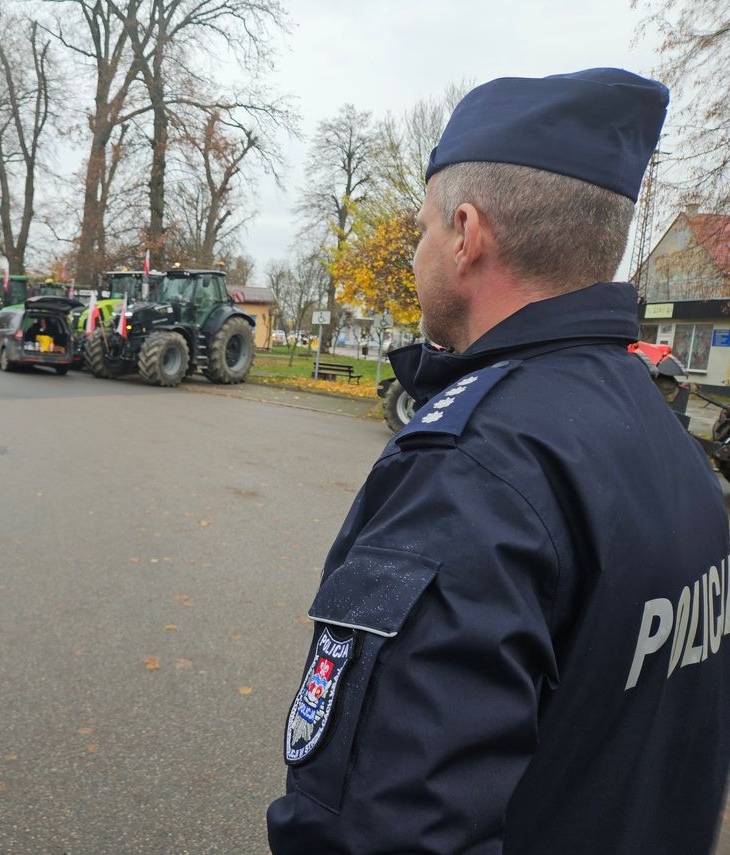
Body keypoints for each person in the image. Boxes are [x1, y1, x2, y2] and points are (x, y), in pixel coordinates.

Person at [267, 69, 730, 854]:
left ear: (466, 233)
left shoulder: (471, 471)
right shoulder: (665, 441)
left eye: (421, 230)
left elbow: (387, 830)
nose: (417, 253)